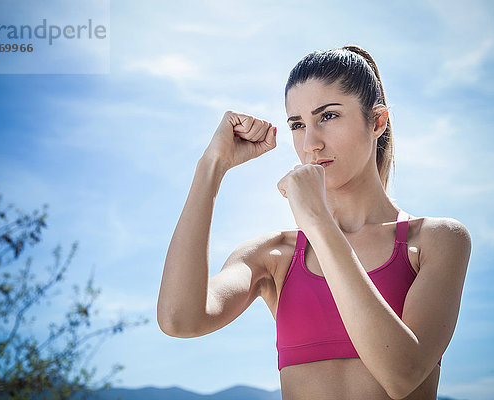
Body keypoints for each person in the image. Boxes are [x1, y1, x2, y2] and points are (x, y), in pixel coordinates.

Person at [157, 45, 472, 400]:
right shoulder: (274, 255)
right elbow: (178, 319)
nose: (311, 143)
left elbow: (402, 374)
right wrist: (211, 166)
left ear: (378, 122)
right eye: (297, 124)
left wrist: (319, 222)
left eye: (329, 116)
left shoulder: (437, 240)